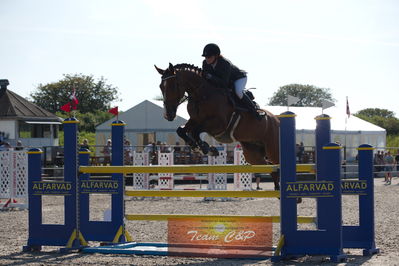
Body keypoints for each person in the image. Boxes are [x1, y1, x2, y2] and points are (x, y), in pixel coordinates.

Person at [201, 43, 263, 120]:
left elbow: (224, 83)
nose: (207, 59)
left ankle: (254, 111)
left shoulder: (225, 63)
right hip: (225, 81)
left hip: (238, 78)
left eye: (209, 56)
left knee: (238, 92)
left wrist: (210, 77)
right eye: (205, 57)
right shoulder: (205, 63)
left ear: (216, 56)